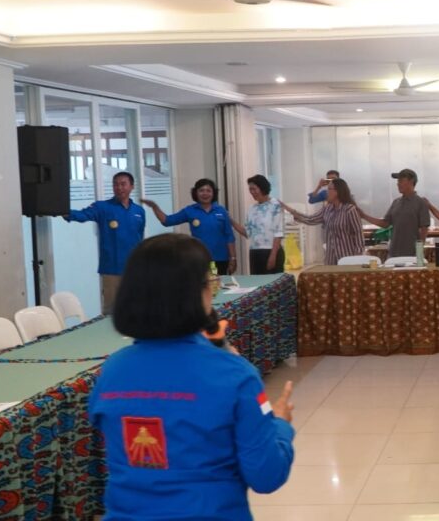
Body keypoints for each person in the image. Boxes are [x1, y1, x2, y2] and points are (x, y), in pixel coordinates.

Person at [88, 234, 295, 520]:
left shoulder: (110, 372)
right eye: (209, 282)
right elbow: (266, 475)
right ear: (198, 294)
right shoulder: (235, 375)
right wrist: (280, 425)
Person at [65, 171, 146, 315]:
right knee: (111, 312)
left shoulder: (139, 211)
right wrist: (61, 210)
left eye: (123, 184)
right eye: (116, 184)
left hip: (134, 270)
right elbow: (82, 215)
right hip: (111, 270)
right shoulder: (102, 207)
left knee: (136, 309)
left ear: (131, 186)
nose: (119, 188)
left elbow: (140, 238)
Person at [143, 178, 237, 274]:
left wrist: (233, 258)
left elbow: (229, 236)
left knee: (217, 282)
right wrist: (154, 207)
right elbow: (167, 221)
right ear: (195, 193)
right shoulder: (189, 211)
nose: (205, 193)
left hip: (220, 258)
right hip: (199, 258)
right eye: (201, 190)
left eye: (208, 191)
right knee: (200, 283)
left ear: (213, 193)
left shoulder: (221, 211)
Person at [280, 178, 365, 265]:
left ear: (337, 191)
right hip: (330, 256)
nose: (326, 192)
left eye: (329, 189)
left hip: (347, 256)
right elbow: (311, 219)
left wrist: (358, 255)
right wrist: (290, 210)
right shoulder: (327, 208)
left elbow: (358, 233)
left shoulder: (350, 210)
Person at [358, 169, 430, 258]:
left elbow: (424, 229)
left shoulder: (421, 203)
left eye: (401, 181)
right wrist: (364, 216)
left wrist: (419, 252)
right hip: (393, 252)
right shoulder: (396, 202)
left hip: (412, 252)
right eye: (398, 181)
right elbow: (385, 223)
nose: (398, 184)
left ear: (411, 182)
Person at [232, 175, 284, 274]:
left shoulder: (275, 205)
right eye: (250, 189)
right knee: (257, 282)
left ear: (263, 188)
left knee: (273, 282)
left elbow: (278, 233)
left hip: (272, 251)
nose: (252, 192)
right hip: (255, 252)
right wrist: (231, 221)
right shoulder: (252, 208)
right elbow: (248, 233)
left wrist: (273, 256)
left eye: (254, 189)